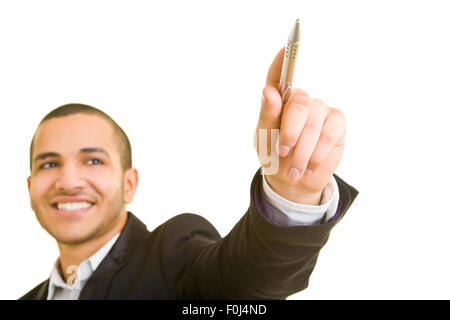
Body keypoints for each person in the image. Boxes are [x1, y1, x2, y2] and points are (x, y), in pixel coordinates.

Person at [20, 48, 358, 300]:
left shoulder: (173, 258)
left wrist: (290, 194)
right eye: (49, 164)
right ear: (31, 187)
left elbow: (243, 283)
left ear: (129, 185)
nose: (68, 181)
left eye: (93, 161)